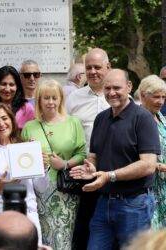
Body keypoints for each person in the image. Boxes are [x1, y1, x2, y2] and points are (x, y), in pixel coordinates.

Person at [70, 69, 160, 249]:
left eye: (117, 88)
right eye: (107, 88)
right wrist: (91, 168)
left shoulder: (143, 119)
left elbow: (149, 165)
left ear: (129, 86)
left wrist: (110, 175)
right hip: (104, 202)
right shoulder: (101, 119)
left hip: (134, 204)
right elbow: (94, 155)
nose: (111, 93)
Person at [21, 79, 86, 250]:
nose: (51, 102)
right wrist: (32, 154)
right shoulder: (29, 127)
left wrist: (65, 164)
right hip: (39, 191)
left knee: (63, 234)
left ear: (60, 100)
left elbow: (82, 153)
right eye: (46, 98)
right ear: (39, 101)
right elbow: (23, 160)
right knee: (42, 235)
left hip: (65, 189)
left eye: (54, 98)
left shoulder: (73, 123)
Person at [0, 103, 48, 243]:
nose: (1, 124)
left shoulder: (26, 149)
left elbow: (41, 188)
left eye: (4, 118)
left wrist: (43, 168)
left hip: (27, 213)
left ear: (12, 120)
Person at [65, 48, 111, 250]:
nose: (92, 72)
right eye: (88, 67)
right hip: (84, 172)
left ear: (108, 68)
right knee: (85, 228)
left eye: (97, 67)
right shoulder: (74, 98)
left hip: (115, 172)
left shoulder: (118, 95)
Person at [137, 75, 166, 229]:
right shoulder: (136, 119)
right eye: (156, 97)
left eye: (163, 97)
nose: (160, 101)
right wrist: (160, 167)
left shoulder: (162, 119)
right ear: (142, 95)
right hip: (147, 190)